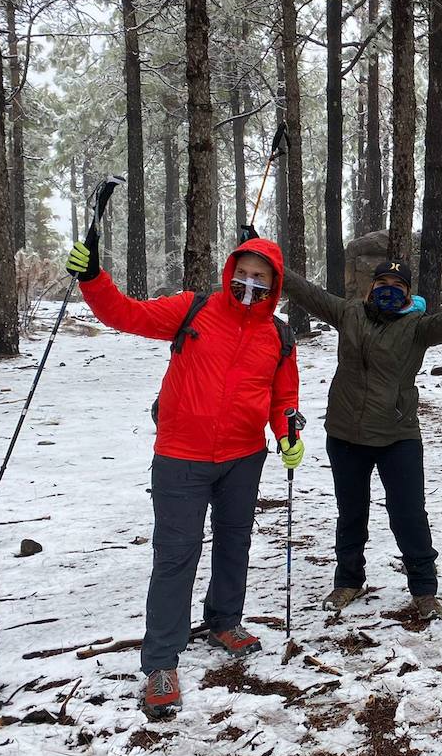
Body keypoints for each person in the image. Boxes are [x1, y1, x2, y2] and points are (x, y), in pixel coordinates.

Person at [65, 231, 304, 720]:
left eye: (260, 277)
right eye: (243, 273)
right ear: (230, 271)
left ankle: (224, 621)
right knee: (176, 555)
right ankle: (160, 661)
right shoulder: (194, 310)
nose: (249, 284)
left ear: (275, 283)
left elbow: (283, 398)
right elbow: (125, 314)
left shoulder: (279, 336)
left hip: (243, 457)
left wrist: (286, 433)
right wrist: (93, 278)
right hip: (181, 456)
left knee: (235, 542)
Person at [276, 253, 442, 619]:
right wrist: (270, 260)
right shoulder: (348, 312)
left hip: (397, 435)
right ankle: (348, 580)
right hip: (345, 433)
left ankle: (424, 590)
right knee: (351, 513)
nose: (389, 290)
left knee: (408, 515)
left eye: (397, 286)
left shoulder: (419, 327)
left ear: (407, 293)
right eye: (382, 284)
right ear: (372, 287)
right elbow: (307, 292)